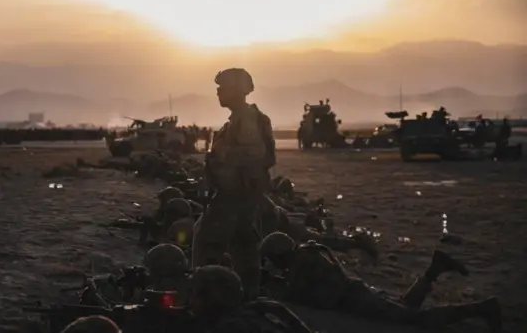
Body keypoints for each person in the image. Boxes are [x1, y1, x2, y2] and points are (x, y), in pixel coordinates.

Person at [259, 232, 502, 332]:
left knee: (414, 319)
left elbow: (301, 295)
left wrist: (272, 282)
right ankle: (434, 269)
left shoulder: (301, 262)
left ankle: (482, 308)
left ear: (279, 255)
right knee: (406, 306)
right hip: (357, 293)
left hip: (355, 297)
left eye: (273, 259)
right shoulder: (306, 254)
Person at [192, 68, 275, 299]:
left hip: (235, 197)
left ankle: (203, 298)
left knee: (207, 243)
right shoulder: (236, 122)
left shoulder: (246, 120)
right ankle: (246, 298)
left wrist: (222, 155)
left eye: (223, 88)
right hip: (238, 196)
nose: (218, 92)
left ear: (237, 91)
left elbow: (257, 155)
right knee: (244, 249)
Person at [188, 265, 311, 333]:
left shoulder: (232, 326)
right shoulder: (262, 309)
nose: (191, 300)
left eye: (197, 294)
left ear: (212, 297)